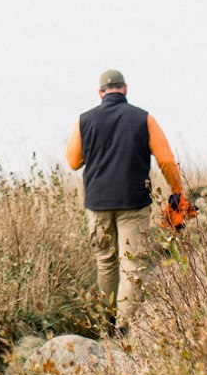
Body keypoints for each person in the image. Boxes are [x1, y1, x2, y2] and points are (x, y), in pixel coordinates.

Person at [66, 70, 187, 334]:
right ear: (126, 89)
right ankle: (123, 327)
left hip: (98, 204)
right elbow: (166, 160)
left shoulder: (84, 121)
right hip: (134, 202)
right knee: (133, 264)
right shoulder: (144, 118)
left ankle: (107, 323)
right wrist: (177, 190)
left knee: (105, 261)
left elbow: (73, 161)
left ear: (100, 93)